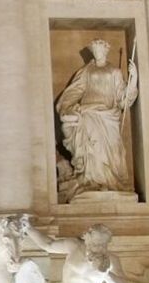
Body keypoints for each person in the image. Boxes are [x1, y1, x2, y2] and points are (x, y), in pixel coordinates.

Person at [55, 38, 139, 198]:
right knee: (93, 150)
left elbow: (123, 98)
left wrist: (133, 80)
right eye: (95, 51)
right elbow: (74, 91)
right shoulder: (86, 71)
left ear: (106, 51)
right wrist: (67, 108)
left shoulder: (114, 72)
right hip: (88, 114)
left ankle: (110, 182)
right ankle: (91, 182)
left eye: (100, 50)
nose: (97, 53)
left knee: (111, 149)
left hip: (109, 117)